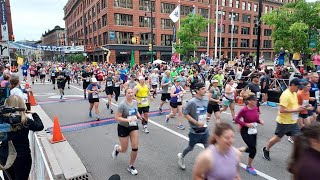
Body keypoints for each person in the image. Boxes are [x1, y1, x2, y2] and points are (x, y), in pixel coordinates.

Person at [0, 95, 44, 180]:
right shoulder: (25, 121)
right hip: (22, 156)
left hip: (5, 156)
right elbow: (40, 126)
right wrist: (34, 114)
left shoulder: (3, 120)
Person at [263, 78, 305, 161]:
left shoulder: (294, 93)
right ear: (292, 85)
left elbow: (293, 106)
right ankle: (266, 149)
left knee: (298, 139)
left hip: (293, 122)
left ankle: (297, 157)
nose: (299, 89)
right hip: (283, 122)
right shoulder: (286, 95)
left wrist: (301, 107)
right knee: (277, 139)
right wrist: (296, 110)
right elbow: (282, 110)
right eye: (298, 87)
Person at [177, 82, 209, 170]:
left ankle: (209, 165)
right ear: (197, 91)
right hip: (194, 131)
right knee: (190, 147)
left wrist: (207, 118)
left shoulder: (206, 99)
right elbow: (185, 114)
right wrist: (196, 122)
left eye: (205, 88)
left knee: (207, 147)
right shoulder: (192, 102)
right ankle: (182, 156)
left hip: (204, 129)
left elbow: (204, 111)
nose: (205, 90)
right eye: (202, 89)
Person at [112, 88, 143, 175]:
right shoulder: (122, 105)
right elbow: (117, 117)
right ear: (125, 94)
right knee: (124, 149)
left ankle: (131, 166)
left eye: (131, 92)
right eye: (128, 93)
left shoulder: (135, 102)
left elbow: (136, 112)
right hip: (123, 127)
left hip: (133, 126)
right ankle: (117, 149)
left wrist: (139, 116)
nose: (130, 94)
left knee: (135, 147)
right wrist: (128, 120)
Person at [235, 93, 264, 175]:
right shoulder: (244, 110)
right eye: (254, 100)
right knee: (253, 148)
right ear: (249, 101)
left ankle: (238, 150)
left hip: (253, 130)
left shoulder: (256, 108)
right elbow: (236, 119)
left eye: (256, 100)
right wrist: (246, 124)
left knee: (253, 148)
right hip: (245, 131)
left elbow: (256, 118)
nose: (256, 101)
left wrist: (259, 121)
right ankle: (249, 166)